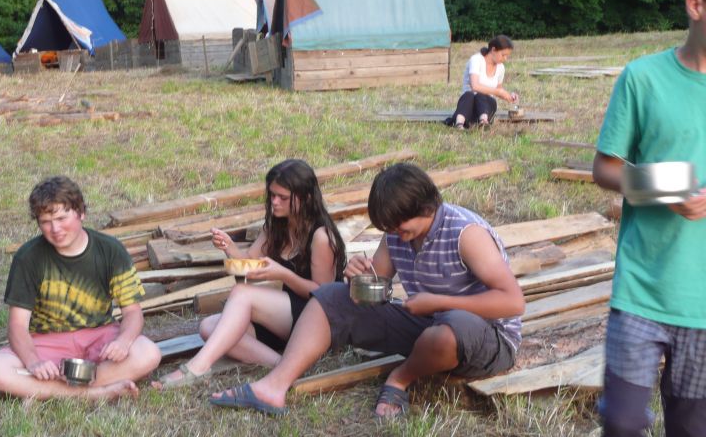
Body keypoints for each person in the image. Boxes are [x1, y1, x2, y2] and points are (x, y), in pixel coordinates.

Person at [208, 163, 524, 416]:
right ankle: (272, 388)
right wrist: (357, 277)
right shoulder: (396, 234)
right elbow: (373, 291)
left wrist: (437, 302)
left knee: (450, 328)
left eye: (401, 227)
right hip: (429, 323)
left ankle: (400, 378)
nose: (396, 235)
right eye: (389, 229)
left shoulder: (465, 233)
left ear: (426, 208)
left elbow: (513, 302)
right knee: (331, 296)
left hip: (486, 337)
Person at [574, 0, 706, 437]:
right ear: (696, 5)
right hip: (643, 288)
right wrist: (662, 189)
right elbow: (604, 167)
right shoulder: (643, 78)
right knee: (622, 418)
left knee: (693, 432)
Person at [152, 159, 346, 389]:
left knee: (242, 293)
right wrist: (228, 246)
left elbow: (324, 295)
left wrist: (284, 275)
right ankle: (282, 364)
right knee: (208, 327)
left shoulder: (321, 236)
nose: (274, 202)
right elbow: (247, 264)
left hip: (318, 321)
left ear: (305, 198)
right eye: (272, 195)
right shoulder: (277, 227)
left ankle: (197, 367)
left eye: (282, 197)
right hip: (286, 317)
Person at [0, 176, 161, 401]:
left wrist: (123, 341)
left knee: (148, 353)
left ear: (81, 213)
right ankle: (95, 393)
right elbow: (17, 325)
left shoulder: (111, 250)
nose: (55, 229)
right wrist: (33, 362)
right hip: (46, 341)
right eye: (45, 222)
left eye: (61, 218)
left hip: (99, 337)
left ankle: (52, 391)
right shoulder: (28, 257)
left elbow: (133, 312)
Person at [446, 35, 518, 130]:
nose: (505, 59)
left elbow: (498, 89)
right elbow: (475, 86)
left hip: (486, 107)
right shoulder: (476, 60)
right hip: (468, 106)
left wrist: (508, 95)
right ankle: (459, 123)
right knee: (469, 95)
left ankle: (483, 122)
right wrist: (498, 92)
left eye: (507, 56)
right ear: (493, 50)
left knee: (483, 96)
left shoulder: (501, 68)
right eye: (503, 55)